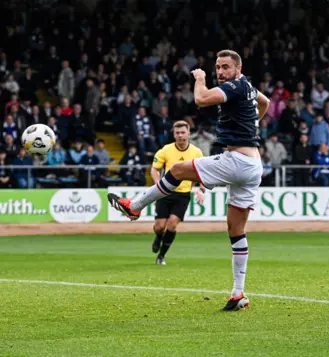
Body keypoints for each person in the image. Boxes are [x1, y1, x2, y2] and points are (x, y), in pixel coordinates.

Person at [108, 50, 268, 312]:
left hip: (237, 160)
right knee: (236, 230)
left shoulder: (235, 86)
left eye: (225, 67)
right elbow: (266, 103)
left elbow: (201, 98)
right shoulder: (248, 87)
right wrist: (251, 126)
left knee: (179, 169)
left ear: (238, 68)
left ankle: (135, 206)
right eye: (217, 67)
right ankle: (238, 294)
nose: (220, 71)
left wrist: (200, 78)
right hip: (252, 165)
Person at [150, 121, 204, 265]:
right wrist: (158, 185)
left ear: (188, 134)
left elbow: (203, 173)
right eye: (177, 133)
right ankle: (158, 237)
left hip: (183, 194)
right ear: (174, 134)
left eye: (182, 132)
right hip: (165, 193)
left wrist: (201, 189)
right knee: (160, 226)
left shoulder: (196, 152)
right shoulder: (165, 150)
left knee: (172, 225)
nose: (180, 135)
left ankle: (161, 255)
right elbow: (154, 169)